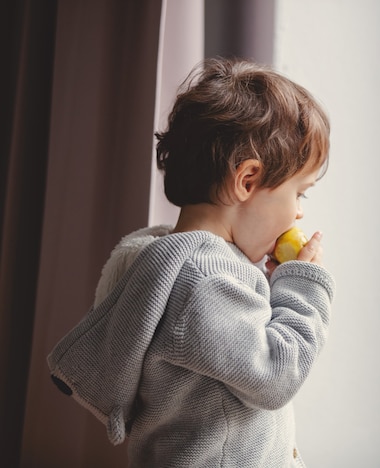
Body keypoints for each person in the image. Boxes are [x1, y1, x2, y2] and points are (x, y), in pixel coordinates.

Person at [47, 57, 335, 467]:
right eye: (299, 194)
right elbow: (275, 377)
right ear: (247, 180)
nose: (300, 214)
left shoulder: (172, 263)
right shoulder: (203, 277)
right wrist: (304, 286)